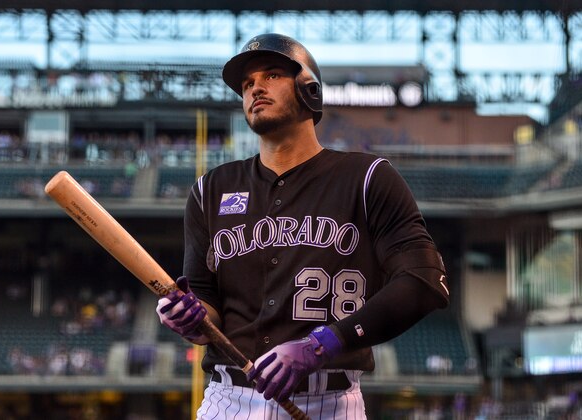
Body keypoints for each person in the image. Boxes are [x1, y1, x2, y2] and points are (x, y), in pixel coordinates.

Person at [156, 33, 450, 419]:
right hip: (227, 400)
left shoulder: (366, 178)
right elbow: (208, 307)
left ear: (309, 89)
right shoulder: (210, 189)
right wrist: (190, 319)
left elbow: (425, 282)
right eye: (247, 84)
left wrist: (325, 343)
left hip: (330, 402)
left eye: (272, 75)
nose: (255, 87)